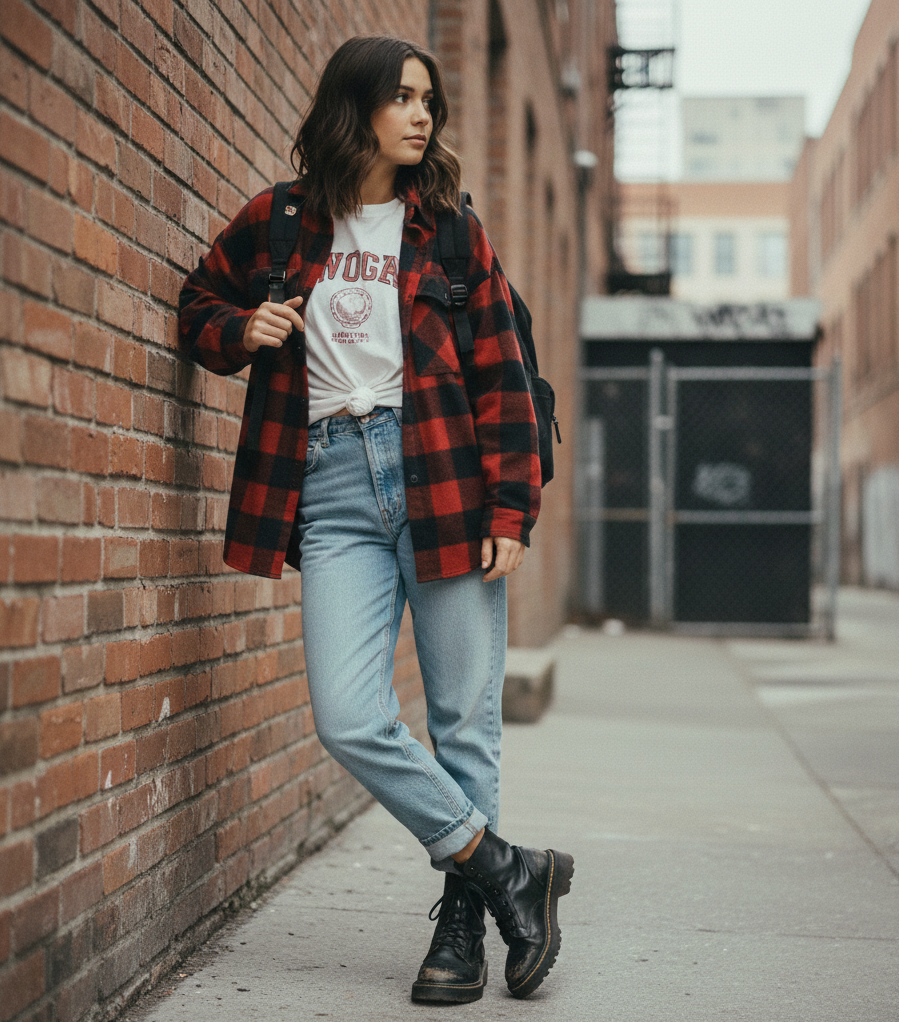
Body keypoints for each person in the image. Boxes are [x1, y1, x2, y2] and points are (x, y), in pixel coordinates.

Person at [179, 35, 573, 1003]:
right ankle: (505, 867)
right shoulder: (275, 224)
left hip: (440, 478)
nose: (420, 115)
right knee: (351, 714)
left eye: (428, 100)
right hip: (329, 486)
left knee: (461, 722)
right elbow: (198, 302)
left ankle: (461, 925)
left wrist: (512, 504)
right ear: (352, 107)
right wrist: (243, 328)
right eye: (400, 97)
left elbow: (503, 379)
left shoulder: (448, 229)